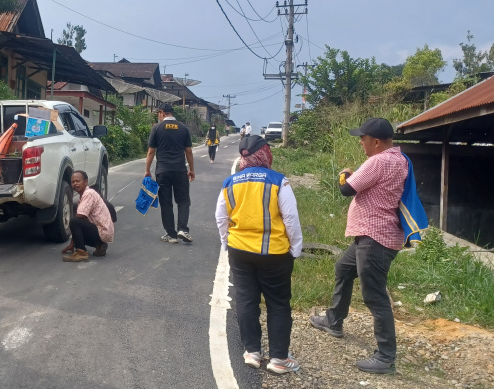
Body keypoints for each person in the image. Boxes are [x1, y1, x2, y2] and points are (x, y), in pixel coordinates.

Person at [309, 118, 408, 374]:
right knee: (343, 268)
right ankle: (333, 321)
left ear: (376, 142)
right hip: (372, 235)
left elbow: (346, 189)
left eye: (363, 139)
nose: (361, 143)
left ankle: (385, 357)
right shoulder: (400, 159)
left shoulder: (379, 161)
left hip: (375, 237)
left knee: (374, 296)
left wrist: (344, 172)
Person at [215, 135, 303, 374]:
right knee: (277, 303)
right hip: (274, 253)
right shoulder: (279, 182)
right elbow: (291, 219)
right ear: (266, 154)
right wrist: (295, 248)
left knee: (246, 300)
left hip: (240, 251)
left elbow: (221, 218)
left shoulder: (230, 183)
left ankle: (252, 352)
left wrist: (227, 243)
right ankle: (279, 359)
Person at [144, 103, 194, 244]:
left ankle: (171, 235)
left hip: (163, 171)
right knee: (183, 200)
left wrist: (147, 171)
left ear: (161, 113)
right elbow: (188, 151)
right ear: (171, 112)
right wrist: (191, 169)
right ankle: (183, 229)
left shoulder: (157, 128)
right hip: (180, 170)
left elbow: (151, 151)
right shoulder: (183, 128)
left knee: (166, 203)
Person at [61, 170, 114, 262]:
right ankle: (100, 245)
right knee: (77, 223)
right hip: (102, 231)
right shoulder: (84, 195)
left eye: (78, 181)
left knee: (74, 221)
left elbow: (80, 217)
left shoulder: (88, 193)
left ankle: (81, 254)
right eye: (73, 182)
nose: (75, 184)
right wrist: (72, 243)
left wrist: (74, 241)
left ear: (86, 182)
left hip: (102, 231)